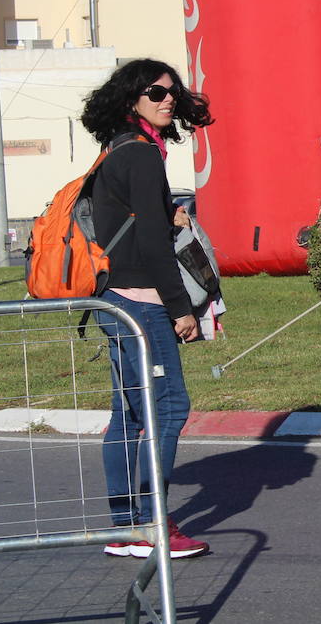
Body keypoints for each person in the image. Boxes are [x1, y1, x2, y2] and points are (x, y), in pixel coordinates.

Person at [80, 58, 214, 560]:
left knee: (128, 412)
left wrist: (166, 212)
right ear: (131, 98)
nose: (167, 99)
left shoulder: (117, 149)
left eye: (172, 92)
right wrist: (182, 308)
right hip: (141, 302)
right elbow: (154, 244)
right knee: (170, 407)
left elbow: (138, 221)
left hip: (113, 298)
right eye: (156, 92)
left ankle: (126, 524)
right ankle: (148, 524)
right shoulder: (140, 155)